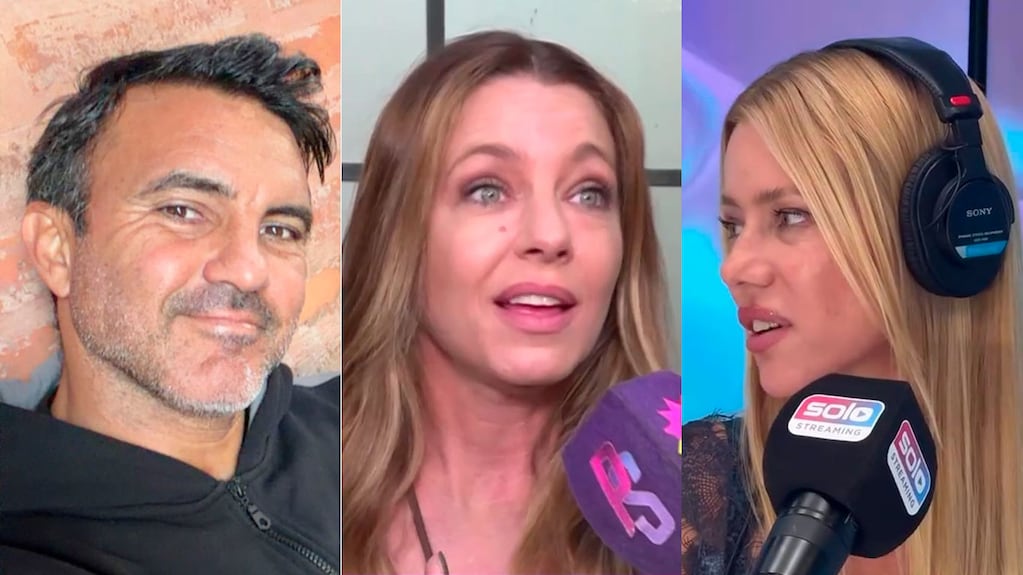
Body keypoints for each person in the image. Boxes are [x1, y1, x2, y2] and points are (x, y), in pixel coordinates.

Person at [0, 34, 340, 575]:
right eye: (183, 211)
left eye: (279, 229)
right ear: (57, 249)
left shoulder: (358, 421)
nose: (248, 270)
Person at [682, 37, 1023, 575]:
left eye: (790, 216)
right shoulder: (692, 485)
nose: (735, 267)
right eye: (733, 225)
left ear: (934, 238)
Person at [342, 30, 672, 575]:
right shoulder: (312, 489)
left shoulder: (698, 513)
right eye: (487, 190)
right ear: (397, 233)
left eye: (588, 193)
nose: (550, 234)